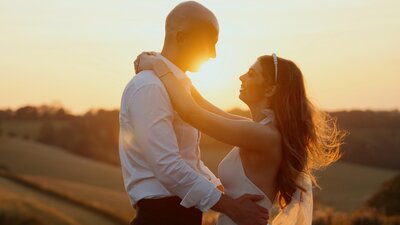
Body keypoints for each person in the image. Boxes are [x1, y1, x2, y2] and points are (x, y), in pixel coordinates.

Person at [134, 51, 345, 225]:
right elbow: (200, 103)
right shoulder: (258, 130)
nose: (242, 77)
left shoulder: (264, 136)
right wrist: (169, 67)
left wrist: (158, 66)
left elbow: (191, 112)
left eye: (252, 74)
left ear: (271, 89)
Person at [119, 1, 269, 225]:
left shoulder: (177, 88)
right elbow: (168, 167)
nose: (213, 54)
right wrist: (230, 206)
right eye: (209, 44)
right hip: (160, 217)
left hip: (181, 215)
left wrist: (227, 198)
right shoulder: (149, 87)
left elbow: (191, 163)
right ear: (181, 37)